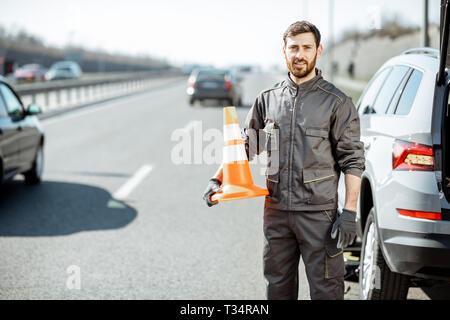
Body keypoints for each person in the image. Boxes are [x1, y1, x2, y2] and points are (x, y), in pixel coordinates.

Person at [202, 21, 365, 300]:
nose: (299, 54)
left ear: (318, 50)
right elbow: (244, 148)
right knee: (277, 290)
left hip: (319, 216)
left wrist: (349, 213)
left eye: (306, 47)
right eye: (293, 48)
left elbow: (353, 160)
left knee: (327, 291)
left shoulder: (336, 102)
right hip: (276, 212)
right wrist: (218, 179)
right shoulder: (267, 100)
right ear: (284, 51)